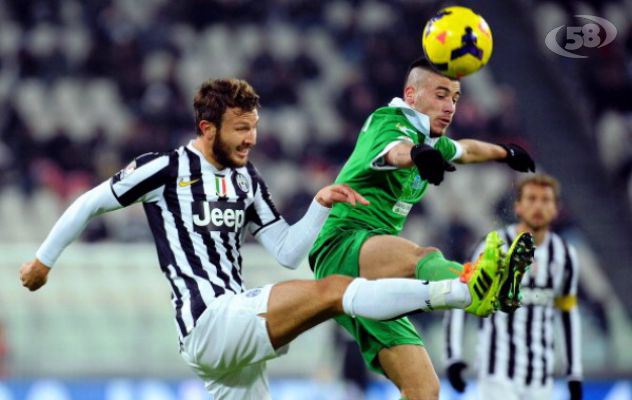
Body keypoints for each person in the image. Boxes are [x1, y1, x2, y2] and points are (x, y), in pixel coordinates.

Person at [20, 78, 514, 400]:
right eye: (240, 130)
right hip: (208, 321)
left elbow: (286, 252)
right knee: (335, 291)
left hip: (234, 343)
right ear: (206, 128)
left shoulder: (247, 180)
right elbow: (90, 201)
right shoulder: (164, 168)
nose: (250, 140)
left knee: (334, 292)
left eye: (253, 128)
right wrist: (43, 262)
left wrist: (321, 205)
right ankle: (461, 290)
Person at [308, 56, 537, 400]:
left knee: (424, 390)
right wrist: (416, 153)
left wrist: (504, 152)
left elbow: (467, 150)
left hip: (372, 276)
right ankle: (478, 287)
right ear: (412, 95)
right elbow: (392, 151)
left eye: (455, 99)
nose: (450, 107)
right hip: (342, 248)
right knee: (423, 256)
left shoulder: (431, 139)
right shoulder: (388, 120)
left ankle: (486, 288)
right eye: (441, 95)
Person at [444, 174, 583, 400]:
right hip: (497, 372)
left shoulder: (565, 254)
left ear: (556, 209)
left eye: (546, 200)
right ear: (518, 206)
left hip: (541, 375)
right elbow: (461, 297)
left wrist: (574, 372)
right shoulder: (494, 246)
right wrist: (453, 356)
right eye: (531, 198)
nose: (538, 206)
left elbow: (567, 311)